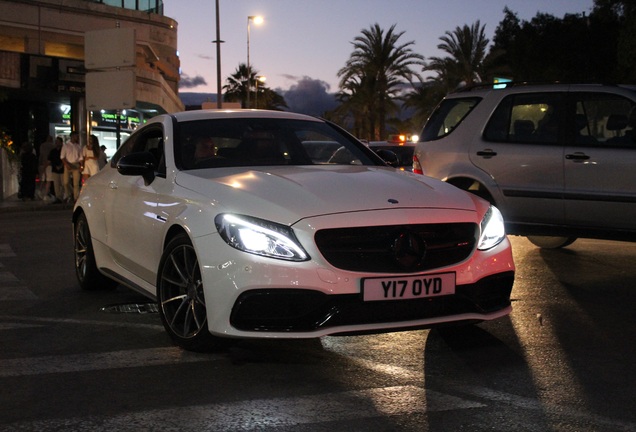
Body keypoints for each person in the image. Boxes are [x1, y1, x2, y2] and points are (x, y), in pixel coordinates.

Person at [61, 131, 83, 202]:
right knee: (66, 182)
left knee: (76, 183)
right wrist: (66, 164)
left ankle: (75, 197)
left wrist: (81, 165)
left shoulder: (78, 146)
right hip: (68, 163)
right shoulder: (66, 146)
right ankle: (68, 194)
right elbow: (62, 157)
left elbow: (80, 157)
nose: (77, 138)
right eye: (76, 136)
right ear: (72, 136)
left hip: (76, 164)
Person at [48, 136, 64, 203]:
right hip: (55, 170)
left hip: (62, 170)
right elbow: (50, 160)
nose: (57, 143)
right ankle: (58, 197)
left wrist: (61, 165)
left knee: (63, 183)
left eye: (58, 142)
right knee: (56, 184)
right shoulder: (53, 151)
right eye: (56, 142)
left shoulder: (63, 150)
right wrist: (55, 166)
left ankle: (62, 196)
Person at [38, 135, 54, 200]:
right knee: (48, 180)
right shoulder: (53, 146)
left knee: (42, 179)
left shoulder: (42, 146)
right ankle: (46, 194)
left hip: (42, 164)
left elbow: (41, 155)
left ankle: (40, 191)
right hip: (49, 165)